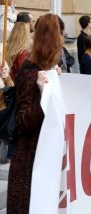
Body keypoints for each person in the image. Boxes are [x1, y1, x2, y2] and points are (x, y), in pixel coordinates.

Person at [7, 13, 63, 214]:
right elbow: (23, 121)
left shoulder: (46, 70)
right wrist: (42, 94)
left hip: (44, 154)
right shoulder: (32, 73)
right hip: (29, 159)